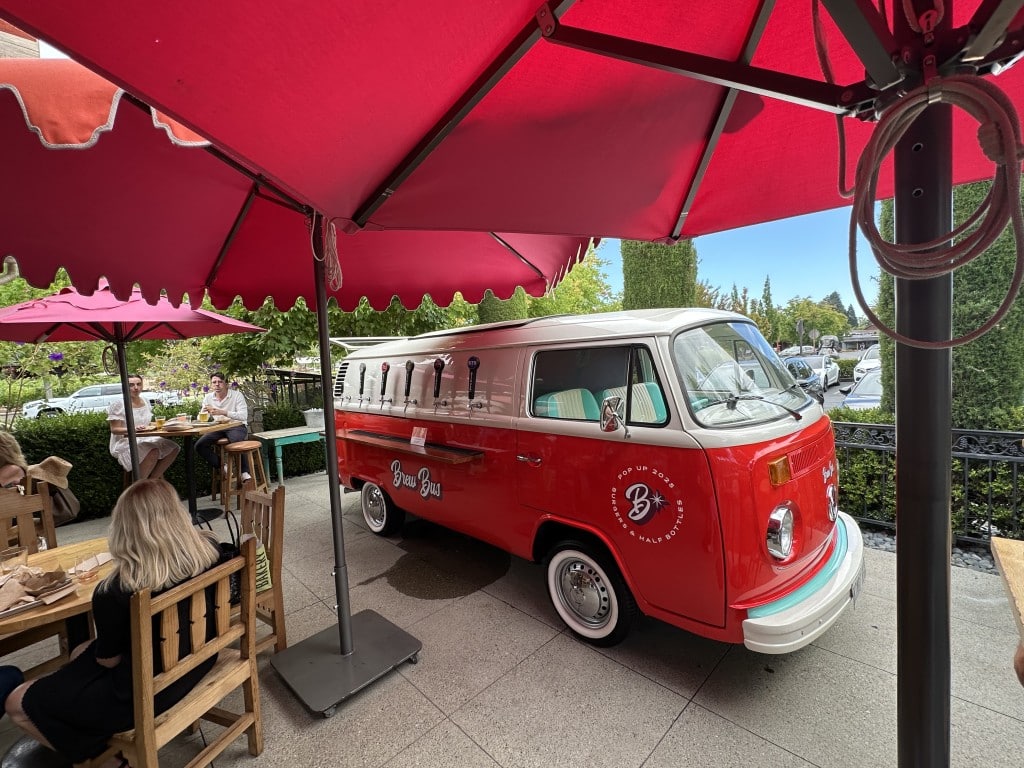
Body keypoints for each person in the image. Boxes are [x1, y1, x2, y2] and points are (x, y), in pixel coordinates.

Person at [4, 479, 226, 766]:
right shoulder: (210, 550)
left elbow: (108, 661)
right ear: (177, 514)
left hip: (144, 696)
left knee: (17, 702)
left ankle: (107, 761)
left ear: (123, 527)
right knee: (79, 652)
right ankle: (88, 734)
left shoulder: (116, 590)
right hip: (199, 662)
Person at [107, 374, 179, 481]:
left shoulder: (145, 400)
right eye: (131, 385)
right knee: (153, 451)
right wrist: (133, 429)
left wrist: (163, 424)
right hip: (125, 442)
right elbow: (115, 429)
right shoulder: (119, 404)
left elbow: (146, 424)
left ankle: (153, 481)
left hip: (146, 438)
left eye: (138, 384)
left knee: (173, 447)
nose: (136, 388)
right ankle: (139, 484)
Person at [195, 371, 250, 481]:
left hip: (237, 425)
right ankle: (222, 466)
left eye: (220, 382)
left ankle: (244, 472)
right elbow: (201, 418)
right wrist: (203, 413)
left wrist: (223, 412)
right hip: (218, 427)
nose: (217, 384)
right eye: (214, 382)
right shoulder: (208, 398)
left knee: (236, 442)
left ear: (226, 384)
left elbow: (243, 416)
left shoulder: (237, 395)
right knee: (199, 446)